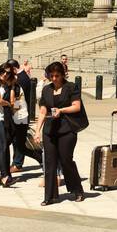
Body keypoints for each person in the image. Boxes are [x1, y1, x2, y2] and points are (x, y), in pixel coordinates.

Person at [32, 60, 87, 205]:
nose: (54, 79)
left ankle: (77, 190)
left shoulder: (71, 87)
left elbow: (77, 107)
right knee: (49, 163)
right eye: (52, 76)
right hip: (50, 130)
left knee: (66, 160)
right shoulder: (46, 89)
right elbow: (43, 111)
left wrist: (61, 110)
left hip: (67, 129)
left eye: (57, 75)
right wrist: (37, 131)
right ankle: (50, 196)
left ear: (62, 75)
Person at [10, 59, 41, 172]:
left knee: (18, 141)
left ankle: (18, 163)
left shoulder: (20, 79)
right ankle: (17, 162)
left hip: (20, 115)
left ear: (13, 69)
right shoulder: (23, 76)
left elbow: (18, 99)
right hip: (21, 114)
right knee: (17, 140)